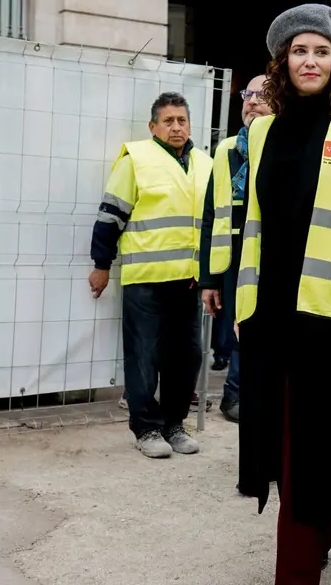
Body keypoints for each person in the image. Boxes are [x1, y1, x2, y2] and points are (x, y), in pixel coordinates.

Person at [233, 4, 331, 584]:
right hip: (270, 312)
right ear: (282, 61)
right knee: (285, 443)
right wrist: (243, 302)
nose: (310, 61)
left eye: (321, 52)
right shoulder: (260, 131)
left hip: (330, 315)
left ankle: (296, 570)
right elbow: (251, 222)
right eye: (299, 51)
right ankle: (321, 526)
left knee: (309, 447)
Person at [88, 92, 212, 459]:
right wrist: (101, 265)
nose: (176, 127)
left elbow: (213, 223)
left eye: (182, 120)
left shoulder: (206, 164)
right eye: (168, 121)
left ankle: (174, 425)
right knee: (144, 356)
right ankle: (146, 428)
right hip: (145, 279)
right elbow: (110, 216)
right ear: (153, 126)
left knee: (186, 357)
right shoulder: (136, 160)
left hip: (188, 280)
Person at [199, 76, 272, 423]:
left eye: (263, 95)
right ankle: (234, 396)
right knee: (239, 328)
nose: (252, 101)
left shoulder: (286, 145)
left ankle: (260, 395)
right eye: (248, 94)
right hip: (233, 257)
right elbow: (210, 215)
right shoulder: (226, 149)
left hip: (272, 253)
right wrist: (208, 280)